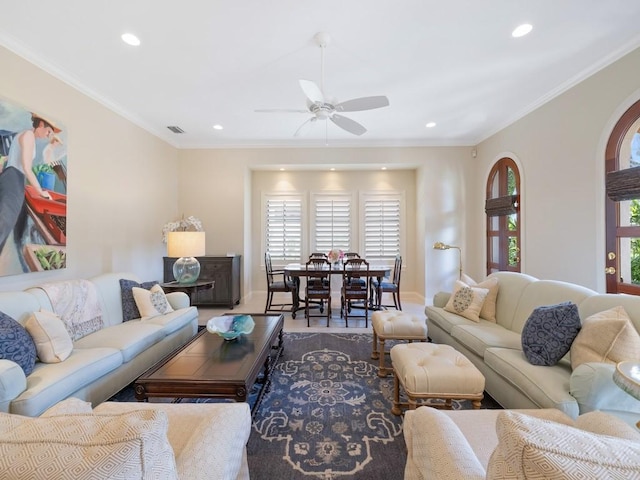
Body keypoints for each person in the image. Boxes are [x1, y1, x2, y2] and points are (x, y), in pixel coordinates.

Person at [0, 113, 61, 252]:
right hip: (13, 179)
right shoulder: (28, 135)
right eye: (48, 131)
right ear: (40, 124)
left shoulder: (27, 136)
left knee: (5, 223)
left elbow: (11, 157)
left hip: (14, 178)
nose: (48, 135)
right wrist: (41, 192)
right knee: (4, 222)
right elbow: (27, 168)